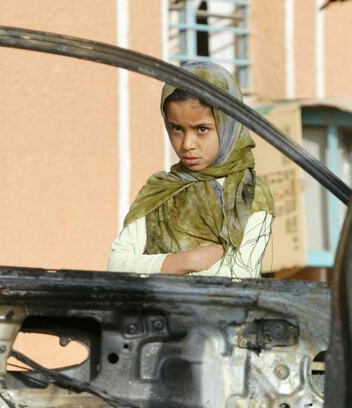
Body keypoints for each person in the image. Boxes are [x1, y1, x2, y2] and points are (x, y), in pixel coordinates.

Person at [108, 62, 274, 278]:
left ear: (229, 124)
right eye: (177, 128)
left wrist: (151, 267)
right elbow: (117, 264)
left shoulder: (249, 193)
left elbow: (240, 274)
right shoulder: (159, 191)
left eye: (202, 129)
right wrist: (187, 261)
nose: (187, 144)